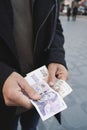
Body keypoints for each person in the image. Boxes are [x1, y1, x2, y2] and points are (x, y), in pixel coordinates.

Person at [0, 0, 69, 130]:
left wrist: (57, 57)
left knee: (31, 126)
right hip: (3, 95)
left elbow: (55, 24)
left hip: (40, 84)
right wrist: (2, 75)